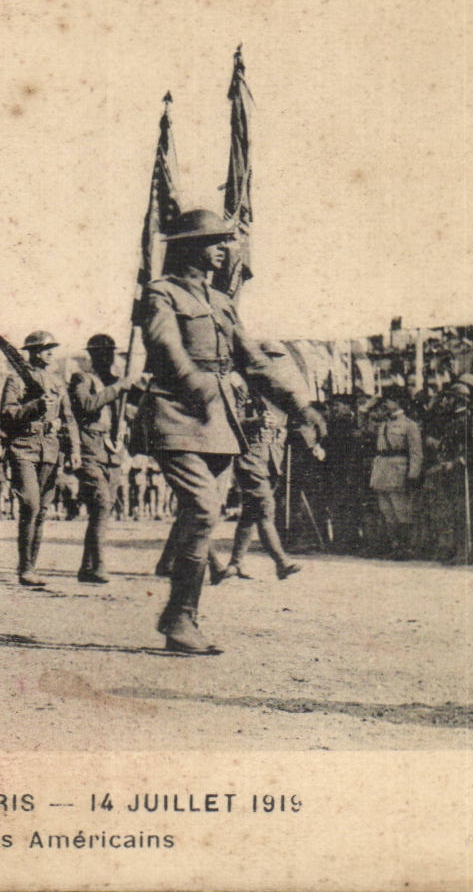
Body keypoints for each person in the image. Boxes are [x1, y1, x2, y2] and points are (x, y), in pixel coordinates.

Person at [137, 210, 325, 654]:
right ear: (188, 247)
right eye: (216, 241)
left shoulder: (222, 302)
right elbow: (164, 343)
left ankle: (183, 618)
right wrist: (192, 381)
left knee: (204, 516)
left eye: (227, 241)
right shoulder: (160, 293)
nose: (226, 248)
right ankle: (179, 617)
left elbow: (254, 363)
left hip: (220, 422)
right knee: (203, 509)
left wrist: (300, 405)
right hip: (176, 414)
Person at [0, 330, 79, 587]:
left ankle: (30, 568)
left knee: (42, 510)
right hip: (24, 447)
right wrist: (35, 406)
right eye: (46, 349)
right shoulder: (16, 379)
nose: (51, 354)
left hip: (50, 449)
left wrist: (75, 449)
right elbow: (7, 415)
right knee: (30, 505)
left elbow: (69, 419)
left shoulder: (57, 382)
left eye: (52, 349)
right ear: (32, 352)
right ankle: (25, 567)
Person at [68, 333, 143, 583]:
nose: (106, 357)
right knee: (100, 503)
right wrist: (119, 387)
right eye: (101, 353)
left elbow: (133, 411)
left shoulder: (118, 382)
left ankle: (87, 567)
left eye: (110, 353)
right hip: (89, 449)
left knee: (104, 508)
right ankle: (99, 565)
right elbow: (87, 405)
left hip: (112, 452)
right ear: (92, 355)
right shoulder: (82, 378)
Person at [220, 367, 303, 581]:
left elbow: (289, 423)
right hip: (250, 458)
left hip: (272, 460)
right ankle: (282, 562)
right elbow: (229, 420)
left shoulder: (275, 395)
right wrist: (256, 422)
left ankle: (235, 563)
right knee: (265, 509)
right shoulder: (239, 388)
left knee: (251, 513)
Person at [369, 386, 424, 559]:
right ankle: (394, 545)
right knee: (386, 511)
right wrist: (366, 408)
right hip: (382, 468)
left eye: (390, 400)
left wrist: (413, 475)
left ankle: (406, 547)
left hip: (398, 469)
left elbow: (416, 452)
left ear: (398, 402)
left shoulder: (409, 425)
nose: (386, 403)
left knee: (401, 510)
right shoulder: (384, 423)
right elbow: (364, 426)